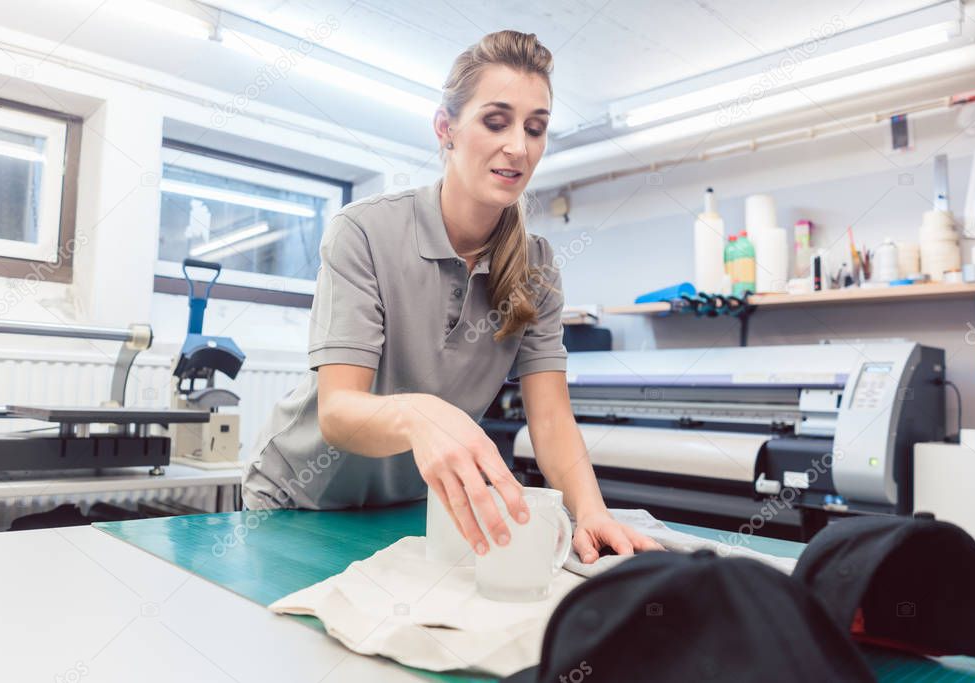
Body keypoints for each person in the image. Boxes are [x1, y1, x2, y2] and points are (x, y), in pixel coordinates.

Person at [243, 29, 661, 563]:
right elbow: (339, 412)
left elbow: (551, 418)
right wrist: (422, 415)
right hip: (298, 501)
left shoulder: (537, 266)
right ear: (446, 129)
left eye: (536, 128)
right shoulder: (365, 231)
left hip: (409, 504)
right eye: (496, 121)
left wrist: (592, 511)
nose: (518, 146)